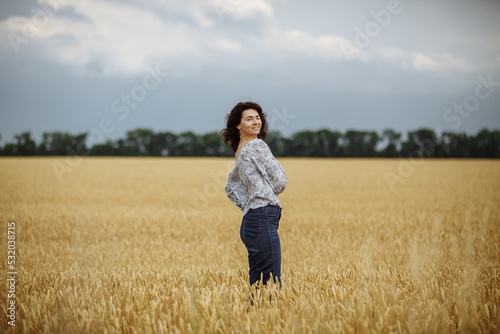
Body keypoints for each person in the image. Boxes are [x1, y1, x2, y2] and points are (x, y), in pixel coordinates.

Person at [220, 101, 287, 289]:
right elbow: (280, 182)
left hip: (251, 221)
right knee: (272, 283)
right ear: (238, 125)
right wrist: (265, 195)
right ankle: (266, 318)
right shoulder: (257, 145)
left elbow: (230, 188)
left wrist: (250, 203)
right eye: (249, 119)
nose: (256, 122)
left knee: (258, 284)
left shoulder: (239, 152)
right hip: (263, 218)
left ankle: (255, 318)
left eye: (258, 118)